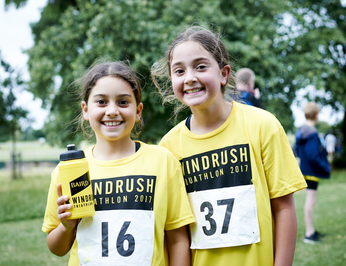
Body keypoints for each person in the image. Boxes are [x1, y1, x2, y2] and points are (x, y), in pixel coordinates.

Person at [152, 26, 307, 266]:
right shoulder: (169, 146)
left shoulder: (262, 125)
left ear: (224, 74)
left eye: (201, 66)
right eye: (179, 70)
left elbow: (284, 209)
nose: (190, 77)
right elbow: (176, 231)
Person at [42, 61, 195, 266]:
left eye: (123, 102)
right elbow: (56, 247)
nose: (112, 111)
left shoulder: (163, 161)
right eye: (101, 102)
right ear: (85, 110)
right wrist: (66, 227)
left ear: (138, 110)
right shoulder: (70, 170)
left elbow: (177, 240)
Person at [295, 102, 331, 244]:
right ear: (316, 115)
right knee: (310, 201)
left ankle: (311, 230)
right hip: (312, 171)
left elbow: (297, 150)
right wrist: (325, 167)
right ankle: (309, 234)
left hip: (305, 169)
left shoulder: (301, 131)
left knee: (310, 201)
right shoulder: (312, 133)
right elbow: (313, 155)